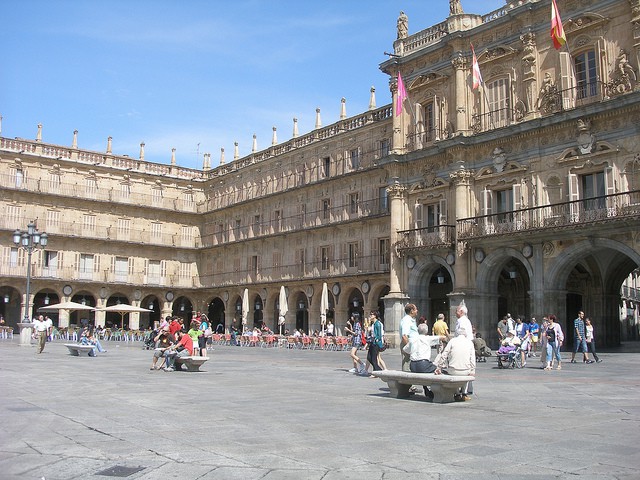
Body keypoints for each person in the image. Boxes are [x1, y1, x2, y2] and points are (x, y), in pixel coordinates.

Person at [403, 323, 446, 399]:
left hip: (412, 365)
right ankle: (435, 390)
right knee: (437, 369)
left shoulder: (413, 339)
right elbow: (442, 337)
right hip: (423, 364)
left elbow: (405, 350)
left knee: (424, 372)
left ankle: (425, 388)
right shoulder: (427, 338)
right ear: (426, 332)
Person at [435, 327, 476, 401]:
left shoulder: (452, 341)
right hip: (465, 371)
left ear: (456, 334)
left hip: (453, 370)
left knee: (455, 372)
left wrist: (439, 367)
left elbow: (444, 354)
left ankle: (457, 394)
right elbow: (472, 358)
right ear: (465, 334)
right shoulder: (470, 342)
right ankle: (464, 394)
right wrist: (473, 370)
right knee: (466, 374)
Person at [399, 303, 419, 372]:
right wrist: (409, 347)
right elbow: (404, 336)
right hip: (407, 344)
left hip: (411, 344)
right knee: (407, 365)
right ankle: (405, 380)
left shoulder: (410, 320)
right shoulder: (407, 320)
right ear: (412, 311)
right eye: (416, 309)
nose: (417, 311)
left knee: (410, 364)